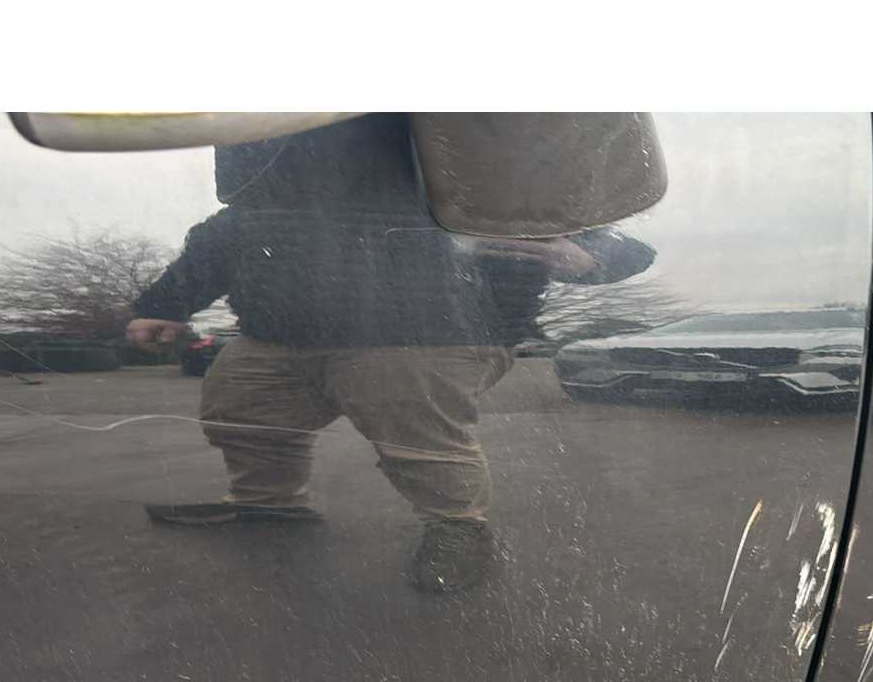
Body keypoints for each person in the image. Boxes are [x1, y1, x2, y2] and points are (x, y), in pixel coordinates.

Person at [127, 113, 654, 592]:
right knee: (240, 409)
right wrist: (161, 306)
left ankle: (457, 526)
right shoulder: (269, 182)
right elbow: (219, 244)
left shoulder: (466, 165)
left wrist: (586, 255)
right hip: (281, 335)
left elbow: (620, 244)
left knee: (410, 423)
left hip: (428, 332)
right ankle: (267, 502)